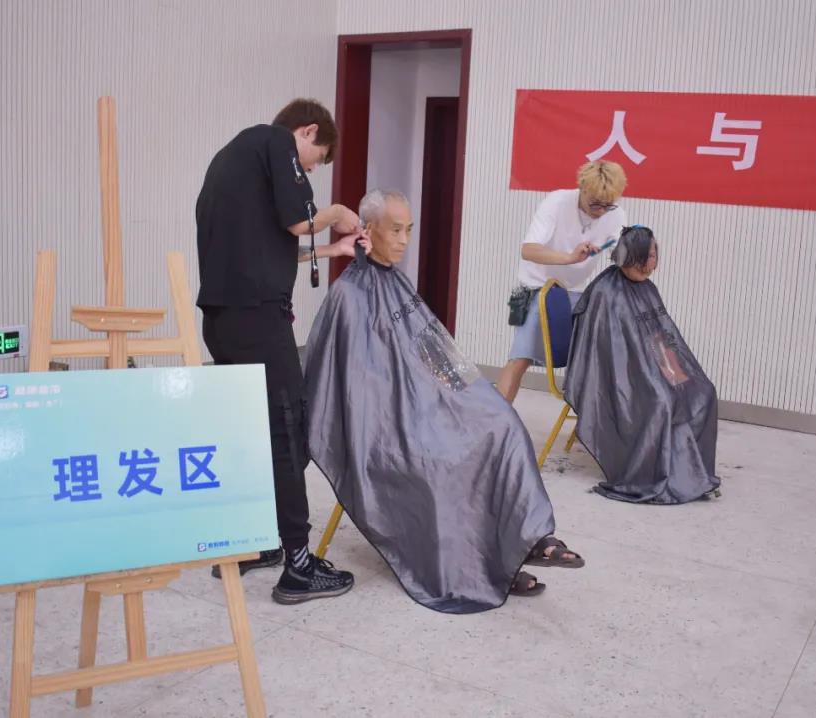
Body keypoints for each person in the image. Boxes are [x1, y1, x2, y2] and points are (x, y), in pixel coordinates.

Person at [303, 189, 584, 614]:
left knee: (501, 425)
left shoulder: (396, 282)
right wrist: (414, 414)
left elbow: (433, 350)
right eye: (395, 230)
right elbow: (358, 389)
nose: (403, 240)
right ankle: (485, 568)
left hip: (426, 404)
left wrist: (464, 395)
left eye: (409, 230)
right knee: (445, 458)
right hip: (389, 423)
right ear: (368, 230)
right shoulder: (349, 297)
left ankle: (527, 541)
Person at [195, 98, 370, 605]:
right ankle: (298, 564)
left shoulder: (232, 160)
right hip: (259, 322)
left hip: (223, 321)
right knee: (286, 433)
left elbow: (265, 244)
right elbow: (298, 220)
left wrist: (329, 251)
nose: (309, 172)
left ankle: (255, 541)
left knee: (248, 434)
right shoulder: (273, 139)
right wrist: (336, 215)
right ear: (307, 132)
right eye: (314, 163)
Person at [563, 226, 721, 504]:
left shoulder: (647, 288)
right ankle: (653, 475)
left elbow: (660, 339)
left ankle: (690, 473)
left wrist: (674, 373)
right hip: (618, 377)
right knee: (662, 401)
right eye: (646, 257)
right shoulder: (606, 293)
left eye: (654, 256)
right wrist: (652, 378)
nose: (652, 264)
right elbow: (608, 355)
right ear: (630, 256)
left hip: (650, 367)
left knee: (702, 391)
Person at [497, 160, 628, 403]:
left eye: (607, 205)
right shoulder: (557, 202)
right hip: (535, 287)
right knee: (520, 357)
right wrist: (569, 258)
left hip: (576, 291)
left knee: (595, 359)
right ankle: (496, 420)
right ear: (582, 189)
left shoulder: (616, 213)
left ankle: (590, 422)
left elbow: (618, 251)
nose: (601, 211)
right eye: (595, 203)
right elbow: (528, 250)